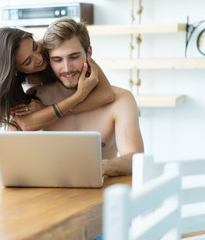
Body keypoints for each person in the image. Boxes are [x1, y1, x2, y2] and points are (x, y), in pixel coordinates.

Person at [24, 17, 144, 177]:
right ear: (48, 60)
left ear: (89, 53)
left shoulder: (121, 100)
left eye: (74, 57)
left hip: (101, 195)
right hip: (48, 197)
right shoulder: (36, 99)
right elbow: (10, 156)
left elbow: (135, 161)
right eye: (57, 60)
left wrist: (94, 167)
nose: (67, 68)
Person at [0, 27, 115, 131]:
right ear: (15, 70)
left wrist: (47, 109)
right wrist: (78, 96)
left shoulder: (53, 46)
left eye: (35, 47)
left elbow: (106, 94)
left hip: (86, 119)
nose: (39, 58)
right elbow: (27, 125)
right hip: (54, 126)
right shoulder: (11, 87)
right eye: (28, 61)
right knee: (12, 129)